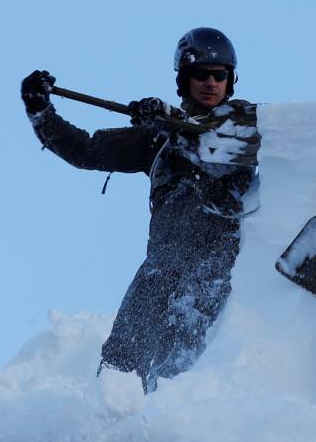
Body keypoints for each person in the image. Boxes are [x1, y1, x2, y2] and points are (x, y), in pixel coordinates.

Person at [20, 27, 260, 391]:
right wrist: (42, 113)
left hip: (214, 278)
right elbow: (87, 150)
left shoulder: (249, 130)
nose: (211, 82)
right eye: (201, 74)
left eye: (220, 74)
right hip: (158, 274)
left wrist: (172, 125)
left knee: (177, 381)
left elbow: (223, 163)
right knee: (118, 374)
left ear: (231, 81)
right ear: (183, 79)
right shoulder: (158, 139)